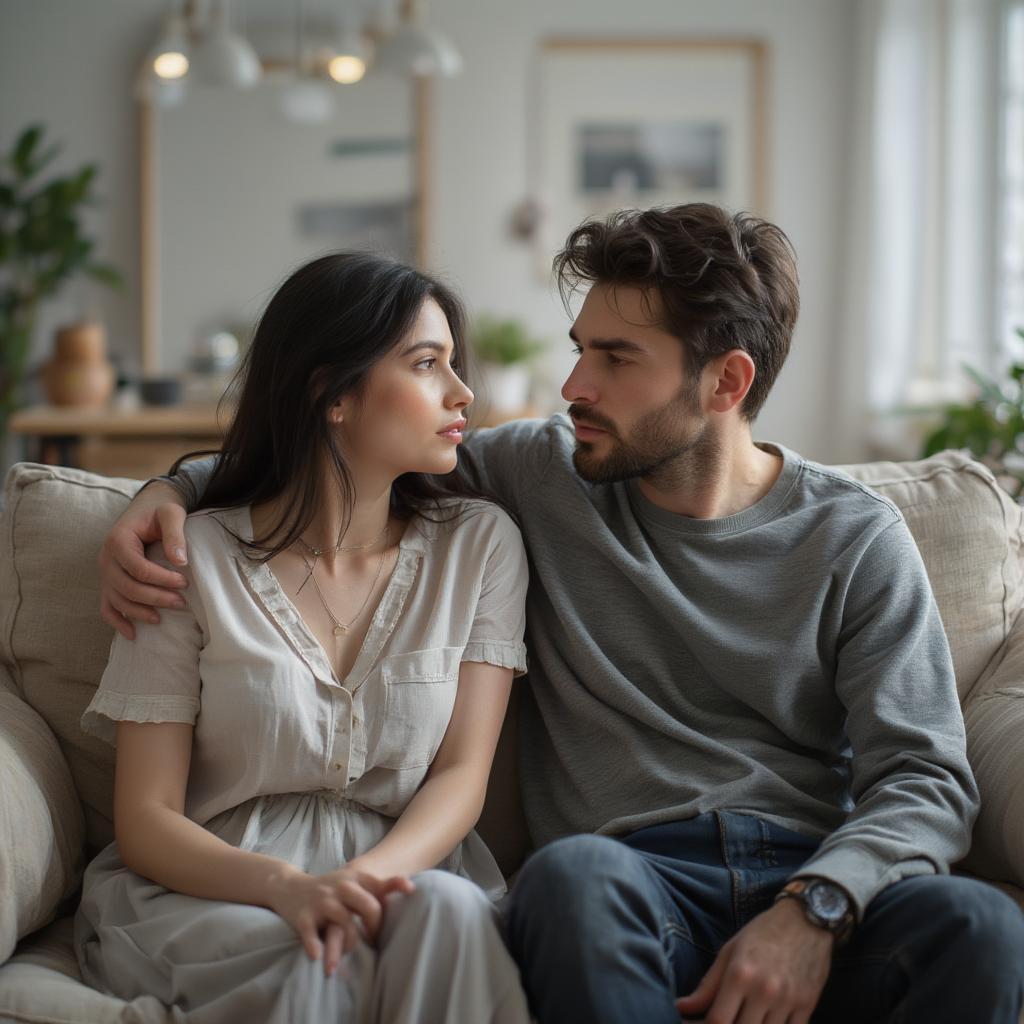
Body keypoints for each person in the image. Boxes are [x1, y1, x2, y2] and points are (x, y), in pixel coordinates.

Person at [99, 205, 1024, 1024]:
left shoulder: (857, 538)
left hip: (813, 868)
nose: (573, 384)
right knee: (570, 882)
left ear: (726, 384)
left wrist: (816, 911)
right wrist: (169, 489)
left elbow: (926, 778)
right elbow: (331, 455)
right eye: (581, 346)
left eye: (616, 358)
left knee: (982, 926)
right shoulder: (541, 473)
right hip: (632, 882)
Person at [76, 251, 532, 1024]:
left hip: (409, 874)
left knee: (450, 915)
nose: (463, 394)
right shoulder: (191, 559)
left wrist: (363, 886)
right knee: (324, 956)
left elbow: (462, 776)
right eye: (427, 365)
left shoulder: (480, 546)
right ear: (330, 393)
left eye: (455, 364)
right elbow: (147, 817)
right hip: (219, 891)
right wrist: (292, 891)